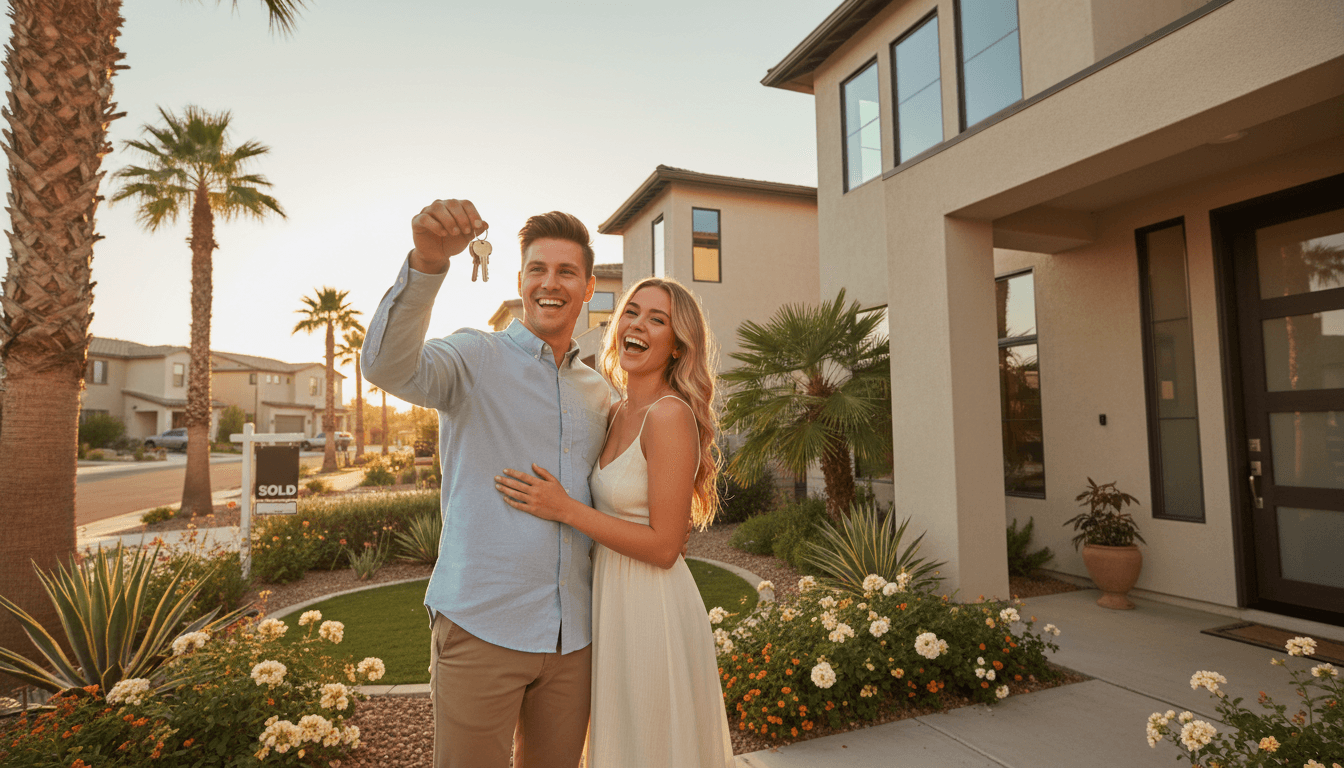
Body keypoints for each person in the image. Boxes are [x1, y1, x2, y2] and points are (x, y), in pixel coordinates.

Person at [361, 199, 612, 768]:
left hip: (573, 639)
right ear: (520, 280)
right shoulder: (475, 356)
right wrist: (428, 262)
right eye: (537, 269)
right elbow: (385, 367)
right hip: (481, 627)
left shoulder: (599, 392)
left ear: (589, 287)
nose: (550, 283)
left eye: (566, 271)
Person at [495, 276, 736, 767]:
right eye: (632, 312)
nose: (638, 325)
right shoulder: (617, 410)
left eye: (657, 319)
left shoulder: (668, 415)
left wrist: (565, 509)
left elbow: (665, 547)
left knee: (650, 746)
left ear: (677, 346)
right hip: (609, 599)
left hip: (652, 606)